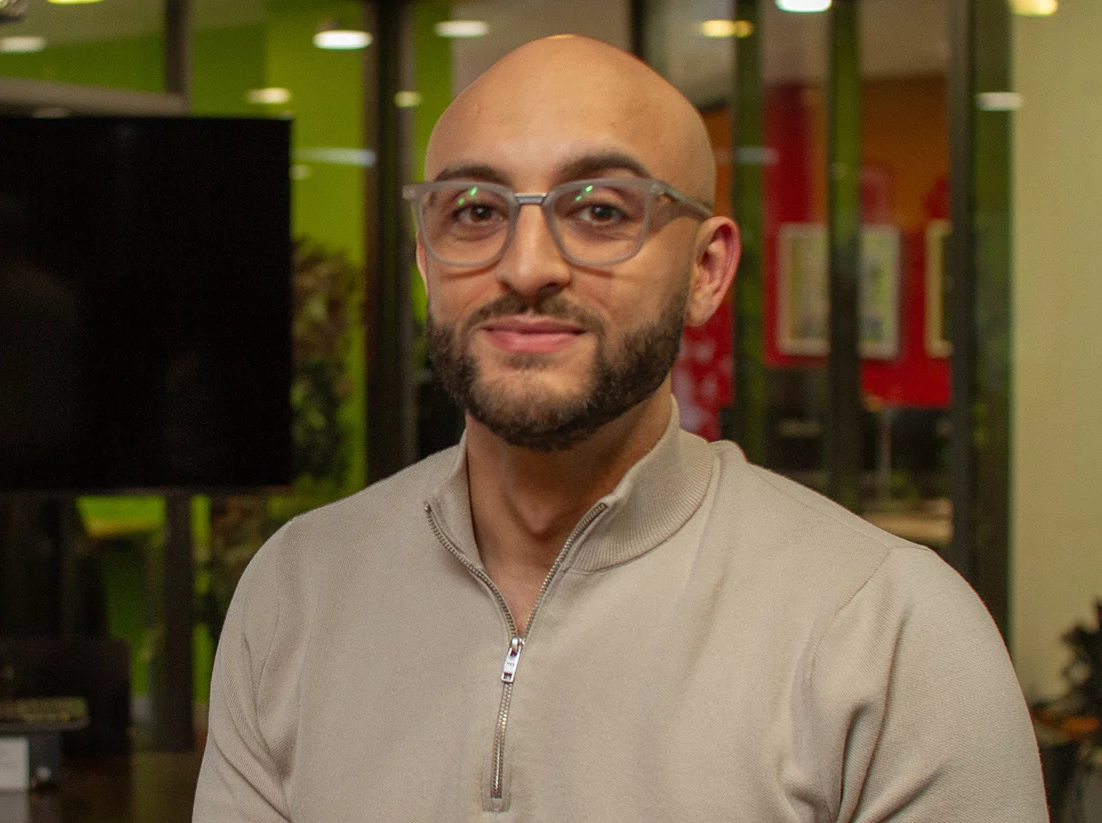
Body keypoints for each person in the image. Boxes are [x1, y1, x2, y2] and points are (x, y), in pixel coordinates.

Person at [192, 35, 1046, 822]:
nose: (527, 266)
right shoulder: (297, 594)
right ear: (425, 263)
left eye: (600, 210)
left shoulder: (889, 633)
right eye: (476, 211)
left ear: (706, 269)